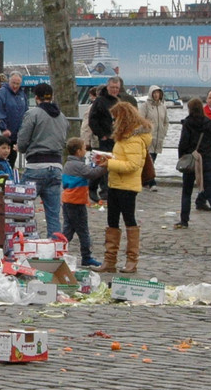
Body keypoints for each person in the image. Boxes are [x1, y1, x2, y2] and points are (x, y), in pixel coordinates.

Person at [105, 101, 152, 273]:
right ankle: (110, 260)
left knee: (129, 220)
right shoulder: (124, 137)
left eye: (115, 119)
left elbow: (132, 165)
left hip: (127, 186)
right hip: (115, 183)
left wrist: (109, 163)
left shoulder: (134, 140)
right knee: (112, 220)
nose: (113, 122)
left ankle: (132, 260)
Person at [15, 82, 67, 238]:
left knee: (22, 209)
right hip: (56, 166)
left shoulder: (33, 114)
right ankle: (55, 247)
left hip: (36, 167)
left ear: (36, 97)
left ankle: (25, 244)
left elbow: (22, 141)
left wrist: (22, 147)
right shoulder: (62, 116)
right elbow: (63, 141)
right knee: (53, 214)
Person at [177, 97, 211, 230]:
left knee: (187, 192)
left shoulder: (187, 123)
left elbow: (183, 143)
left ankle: (184, 221)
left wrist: (182, 158)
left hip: (192, 161)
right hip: (208, 160)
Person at [61, 137, 105, 269]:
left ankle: (58, 251)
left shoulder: (68, 164)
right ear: (79, 151)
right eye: (84, 149)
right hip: (77, 202)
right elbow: (92, 174)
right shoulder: (78, 165)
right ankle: (86, 257)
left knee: (68, 229)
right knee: (83, 231)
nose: (86, 151)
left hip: (68, 201)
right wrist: (105, 166)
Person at [0, 73, 27, 162]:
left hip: (14, 136)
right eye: (13, 83)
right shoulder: (1, 93)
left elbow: (25, 113)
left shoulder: (22, 95)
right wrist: (3, 128)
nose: (15, 86)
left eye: (18, 84)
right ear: (9, 81)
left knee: (11, 163)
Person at [142, 86, 170, 188]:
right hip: (148, 137)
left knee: (153, 158)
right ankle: (152, 182)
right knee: (150, 159)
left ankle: (145, 180)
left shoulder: (163, 106)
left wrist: (164, 131)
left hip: (159, 138)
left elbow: (166, 121)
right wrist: (146, 131)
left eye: (158, 93)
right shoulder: (145, 106)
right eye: (154, 93)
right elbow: (141, 120)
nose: (156, 95)